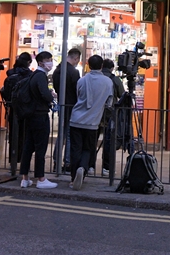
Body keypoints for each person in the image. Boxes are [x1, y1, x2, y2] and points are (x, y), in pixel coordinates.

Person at [69, 55, 113, 191]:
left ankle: (73, 178)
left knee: (75, 149)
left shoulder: (82, 80)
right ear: (102, 66)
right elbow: (109, 102)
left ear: (88, 65)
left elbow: (78, 96)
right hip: (93, 122)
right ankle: (83, 168)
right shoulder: (108, 82)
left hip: (76, 119)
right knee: (88, 149)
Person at [19, 51, 57, 189]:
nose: (50, 63)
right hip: (40, 115)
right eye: (48, 60)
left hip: (31, 115)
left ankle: (25, 178)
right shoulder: (41, 76)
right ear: (40, 62)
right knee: (41, 147)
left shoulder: (34, 74)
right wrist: (51, 96)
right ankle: (41, 178)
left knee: (28, 147)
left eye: (51, 59)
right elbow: (45, 94)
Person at [1, 52, 32, 165]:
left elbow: (5, 91)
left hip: (13, 108)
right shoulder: (29, 75)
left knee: (13, 134)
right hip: (26, 109)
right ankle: (23, 159)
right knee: (25, 135)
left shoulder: (10, 74)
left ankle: (13, 158)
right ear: (28, 62)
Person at [52, 47, 80, 173]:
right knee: (69, 135)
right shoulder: (73, 72)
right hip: (72, 105)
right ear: (76, 58)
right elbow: (77, 90)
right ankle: (67, 162)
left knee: (61, 134)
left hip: (62, 104)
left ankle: (56, 161)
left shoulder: (57, 70)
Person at [98, 58, 126, 177]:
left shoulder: (95, 77)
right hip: (109, 114)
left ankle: (89, 166)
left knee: (91, 140)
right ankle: (107, 167)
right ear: (111, 68)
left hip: (95, 113)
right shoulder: (114, 79)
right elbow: (122, 95)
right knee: (109, 142)